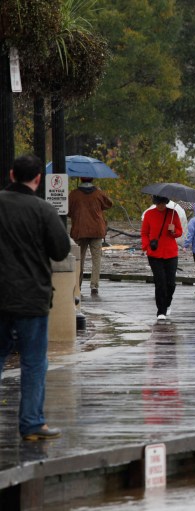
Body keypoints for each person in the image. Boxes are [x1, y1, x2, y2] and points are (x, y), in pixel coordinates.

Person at [0, 154, 71, 441]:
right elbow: (60, 250)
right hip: (32, 298)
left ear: (11, 174)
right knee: (33, 362)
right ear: (38, 179)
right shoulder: (43, 210)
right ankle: (31, 423)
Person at [67, 177, 113, 295]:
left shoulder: (74, 194)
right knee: (96, 259)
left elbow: (67, 211)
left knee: (79, 260)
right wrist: (101, 192)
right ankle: (94, 286)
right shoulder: (98, 193)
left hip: (79, 230)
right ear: (92, 180)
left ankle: (78, 285)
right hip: (97, 231)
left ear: (80, 180)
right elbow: (109, 204)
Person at [141, 195, 183, 320]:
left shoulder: (173, 214)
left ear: (166, 202)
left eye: (163, 203)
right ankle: (161, 311)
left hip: (171, 253)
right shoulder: (149, 214)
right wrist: (146, 246)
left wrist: (173, 230)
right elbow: (144, 233)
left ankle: (167, 303)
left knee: (171, 284)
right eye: (159, 203)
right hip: (154, 254)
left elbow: (179, 232)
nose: (161, 206)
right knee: (160, 283)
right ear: (155, 203)